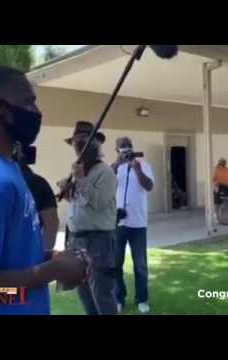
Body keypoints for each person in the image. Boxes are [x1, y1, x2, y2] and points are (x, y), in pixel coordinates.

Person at [0, 66, 87, 315]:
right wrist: (52, 271)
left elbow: (2, 258)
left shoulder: (6, 166)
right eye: (28, 102)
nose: (36, 111)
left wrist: (51, 259)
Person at [58, 121, 118, 315]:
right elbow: (80, 204)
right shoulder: (79, 171)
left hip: (98, 240)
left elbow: (99, 203)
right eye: (75, 144)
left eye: (82, 143)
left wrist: (81, 180)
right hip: (76, 239)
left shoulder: (105, 172)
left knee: (102, 293)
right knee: (83, 292)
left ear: (93, 146)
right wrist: (67, 191)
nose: (77, 148)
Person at [113, 137, 154, 314]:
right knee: (115, 264)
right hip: (117, 223)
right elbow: (104, 183)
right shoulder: (113, 167)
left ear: (132, 148)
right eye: (122, 148)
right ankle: (118, 298)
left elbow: (149, 186)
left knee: (140, 265)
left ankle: (142, 299)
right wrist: (117, 164)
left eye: (128, 147)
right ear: (117, 151)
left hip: (138, 223)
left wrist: (137, 170)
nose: (125, 150)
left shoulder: (143, 165)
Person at [14, 145, 59, 250]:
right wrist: (42, 255)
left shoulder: (36, 183)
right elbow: (52, 223)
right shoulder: (39, 183)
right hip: (27, 252)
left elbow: (52, 223)